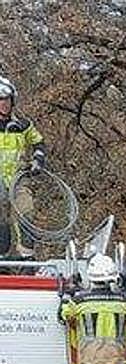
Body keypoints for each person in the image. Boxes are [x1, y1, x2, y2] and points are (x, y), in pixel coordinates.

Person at [0, 77, 46, 258]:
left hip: (19, 179)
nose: (3, 104)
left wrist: (37, 161)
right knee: (1, 216)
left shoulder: (23, 125)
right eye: (0, 100)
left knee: (27, 214)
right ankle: (1, 258)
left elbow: (39, 143)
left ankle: (26, 257)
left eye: (7, 100)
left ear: (13, 101)